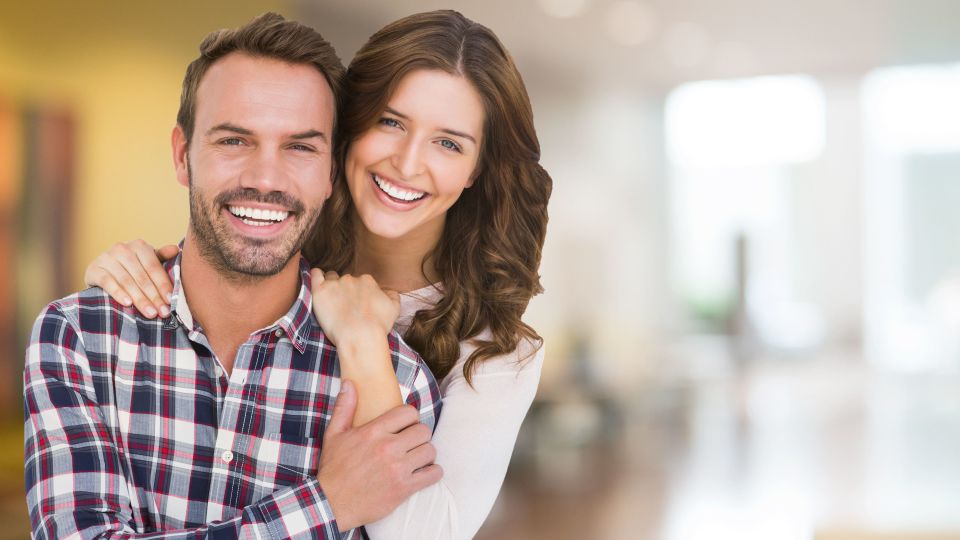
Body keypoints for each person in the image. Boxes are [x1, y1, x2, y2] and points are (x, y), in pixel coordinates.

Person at [85, 9, 552, 540]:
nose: (406, 162)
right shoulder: (279, 235)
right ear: (345, 132)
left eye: (448, 143)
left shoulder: (495, 354)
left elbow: (427, 535)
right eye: (391, 122)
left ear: (475, 170)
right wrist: (129, 271)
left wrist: (363, 343)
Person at [24, 13, 443, 539]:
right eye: (234, 141)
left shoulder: (395, 385)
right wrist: (328, 504)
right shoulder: (80, 337)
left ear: (331, 173)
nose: (266, 178)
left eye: (300, 147)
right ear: (183, 155)